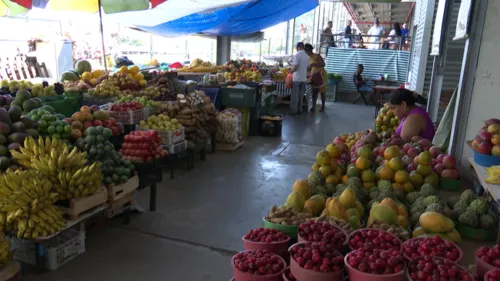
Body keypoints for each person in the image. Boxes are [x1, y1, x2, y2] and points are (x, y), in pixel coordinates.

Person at [304, 44, 327, 112]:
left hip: (321, 75)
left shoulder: (316, 56)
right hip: (314, 75)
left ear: (310, 50)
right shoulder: (307, 58)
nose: (305, 52)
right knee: (314, 92)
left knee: (322, 92)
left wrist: (313, 64)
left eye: (306, 50)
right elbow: (310, 67)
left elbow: (323, 64)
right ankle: (313, 107)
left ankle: (323, 106)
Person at [290, 42, 309, 114]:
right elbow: (307, 67)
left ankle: (293, 110)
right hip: (303, 78)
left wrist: (290, 71)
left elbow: (294, 67)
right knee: (301, 95)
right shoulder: (306, 56)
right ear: (303, 47)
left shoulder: (297, 55)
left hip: (297, 78)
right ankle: (300, 109)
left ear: (297, 47)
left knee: (295, 94)